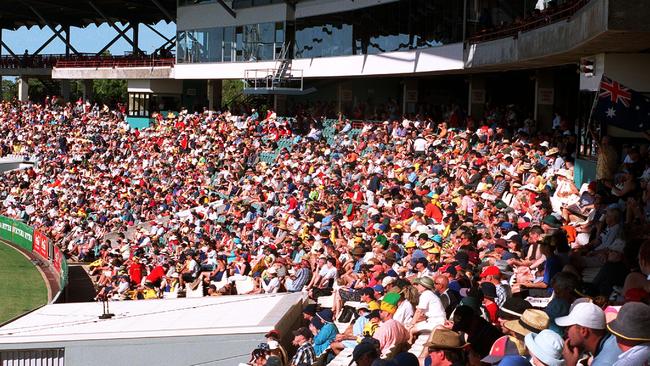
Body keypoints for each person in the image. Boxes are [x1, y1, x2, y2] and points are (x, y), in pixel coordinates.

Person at [556, 301, 621, 366]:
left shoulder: (602, 363)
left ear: (584, 331)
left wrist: (570, 364)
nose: (566, 330)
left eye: (568, 327)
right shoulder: (617, 338)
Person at [372, 292, 410, 357]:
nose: (379, 313)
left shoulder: (383, 329)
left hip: (384, 359)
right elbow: (407, 337)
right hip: (395, 357)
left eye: (381, 311)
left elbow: (373, 349)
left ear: (387, 313)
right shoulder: (400, 325)